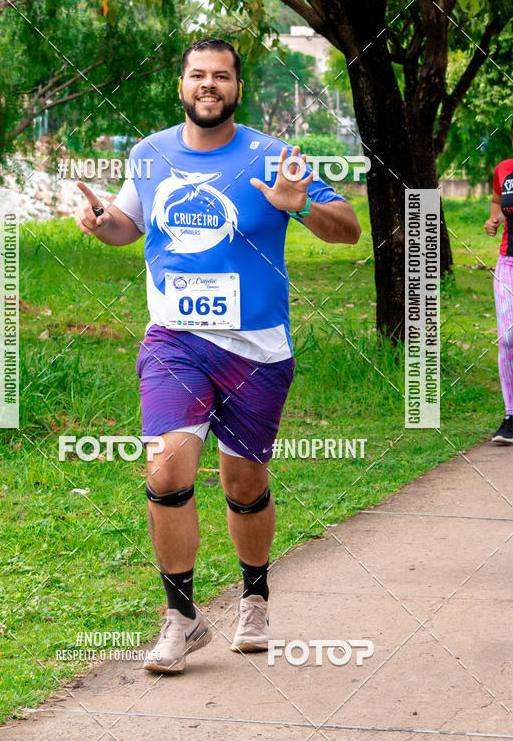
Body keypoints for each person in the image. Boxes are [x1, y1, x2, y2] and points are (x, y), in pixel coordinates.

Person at [74, 37, 361, 674]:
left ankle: (254, 599)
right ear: (182, 85)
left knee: (244, 482)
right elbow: (130, 226)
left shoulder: (271, 156)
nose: (209, 85)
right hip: (175, 341)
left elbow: (348, 227)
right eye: (198, 75)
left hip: (257, 349)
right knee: (167, 474)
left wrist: (302, 204)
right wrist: (101, 223)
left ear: (238, 87)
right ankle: (181, 617)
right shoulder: (149, 155)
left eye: (222, 76)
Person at [485, 129, 513, 443]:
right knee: (507, 339)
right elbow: (497, 201)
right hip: (508, 262)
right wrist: (493, 220)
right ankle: (511, 416)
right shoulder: (504, 169)